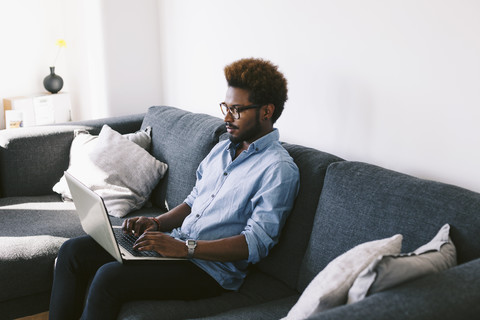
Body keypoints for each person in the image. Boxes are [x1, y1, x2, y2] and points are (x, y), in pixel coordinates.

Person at [49, 58, 300, 320]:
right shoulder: (221, 150)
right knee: (72, 251)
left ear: (266, 111)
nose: (226, 117)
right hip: (177, 245)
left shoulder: (278, 169)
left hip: (208, 270)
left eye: (236, 110)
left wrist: (186, 249)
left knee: (109, 277)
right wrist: (157, 224)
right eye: (226, 107)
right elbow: (193, 201)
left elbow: (255, 243)